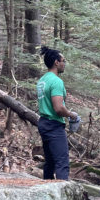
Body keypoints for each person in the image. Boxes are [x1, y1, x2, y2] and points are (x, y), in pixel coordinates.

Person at [36, 45, 78, 180]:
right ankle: (62, 195)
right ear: (56, 62)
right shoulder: (56, 81)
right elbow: (59, 108)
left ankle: (47, 192)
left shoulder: (42, 80)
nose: (64, 64)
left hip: (43, 123)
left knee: (50, 162)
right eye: (63, 61)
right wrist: (71, 115)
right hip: (54, 125)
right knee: (62, 162)